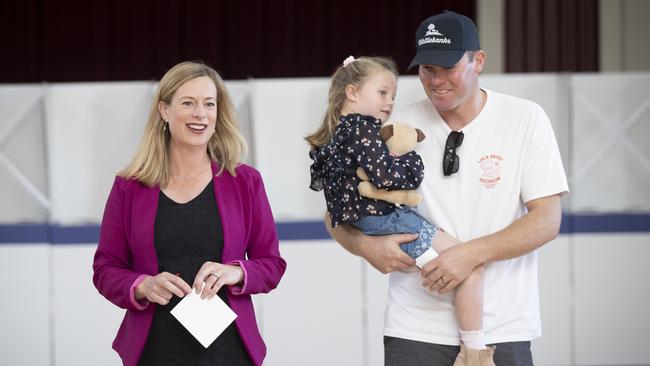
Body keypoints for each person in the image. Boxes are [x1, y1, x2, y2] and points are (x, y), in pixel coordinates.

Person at [327, 10, 568, 366]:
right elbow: (337, 213)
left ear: (478, 61)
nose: (437, 80)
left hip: (502, 330)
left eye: (448, 68)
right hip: (414, 331)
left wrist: (470, 255)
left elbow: (547, 220)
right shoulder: (395, 124)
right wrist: (365, 246)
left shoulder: (525, 118)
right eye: (428, 70)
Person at [92, 61, 286, 366]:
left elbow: (272, 264)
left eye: (209, 104)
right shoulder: (128, 187)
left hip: (230, 352)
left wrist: (235, 271)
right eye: (188, 103)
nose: (200, 114)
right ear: (164, 111)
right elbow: (106, 269)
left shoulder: (245, 182)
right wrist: (142, 285)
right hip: (154, 352)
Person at [306, 55, 493, 365]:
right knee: (471, 268)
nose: (390, 102)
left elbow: (335, 198)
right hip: (386, 219)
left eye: (392, 96)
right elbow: (386, 177)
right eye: (382, 93)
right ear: (352, 92)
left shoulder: (338, 133)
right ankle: (474, 354)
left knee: (451, 265)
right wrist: (412, 161)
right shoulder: (365, 130)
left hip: (370, 220)